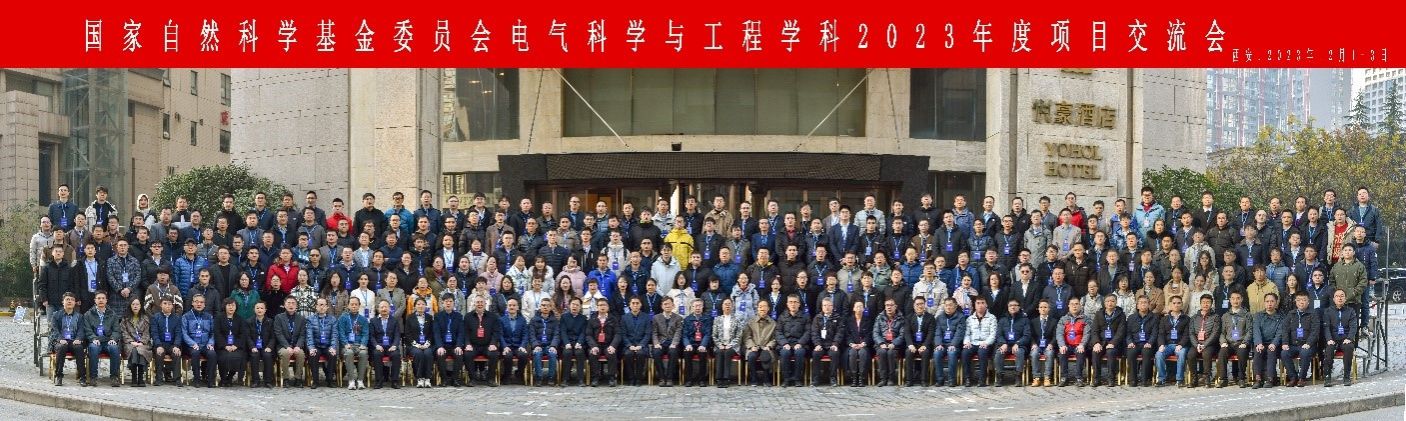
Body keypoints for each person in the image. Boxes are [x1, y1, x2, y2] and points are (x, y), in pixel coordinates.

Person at [1281, 291, 1320, 387]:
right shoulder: (1291, 314)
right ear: (1295, 301)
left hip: (1308, 345)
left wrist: (1309, 343)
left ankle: (1302, 378)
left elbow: (1315, 331)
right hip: (1293, 344)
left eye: (1304, 300)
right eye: (1298, 300)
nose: (1301, 302)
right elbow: (1285, 329)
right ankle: (1293, 377)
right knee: (1284, 353)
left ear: (1308, 301)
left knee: (1305, 352)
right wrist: (1285, 343)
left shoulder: (1313, 314)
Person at [1217, 291, 1252, 388]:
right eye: (1233, 298)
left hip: (1241, 343)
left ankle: (1241, 379)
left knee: (1242, 352)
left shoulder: (1247, 315)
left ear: (1241, 300)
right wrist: (1223, 342)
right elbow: (1222, 332)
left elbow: (1249, 331)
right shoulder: (1225, 316)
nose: (1235, 300)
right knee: (1222, 353)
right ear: (1230, 300)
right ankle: (1223, 379)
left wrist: (1245, 342)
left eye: (1238, 298)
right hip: (1229, 343)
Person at [1322, 289, 1357, 387]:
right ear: (1334, 299)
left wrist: (1349, 338)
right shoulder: (1328, 311)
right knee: (1329, 349)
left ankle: (1346, 376)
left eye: (1342, 296)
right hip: (1333, 339)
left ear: (1345, 298)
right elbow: (1326, 327)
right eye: (1337, 296)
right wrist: (1329, 339)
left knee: (1349, 347)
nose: (1340, 298)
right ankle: (1327, 377)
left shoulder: (1351, 311)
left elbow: (1353, 326)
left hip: (1346, 339)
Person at [182, 294, 217, 388]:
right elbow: (184, 333)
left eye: (201, 302)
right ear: (192, 303)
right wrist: (192, 343)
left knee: (212, 354)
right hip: (191, 345)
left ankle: (210, 380)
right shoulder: (186, 316)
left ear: (204, 304)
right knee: (195, 353)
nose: (199, 304)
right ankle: (197, 379)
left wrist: (210, 343)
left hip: (205, 344)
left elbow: (213, 333)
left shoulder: (209, 316)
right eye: (196, 302)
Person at [304, 297, 339, 389]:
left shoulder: (332, 319)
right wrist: (311, 348)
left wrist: (333, 347)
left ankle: (330, 380)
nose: (322, 307)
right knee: (313, 355)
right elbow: (309, 335)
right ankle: (315, 381)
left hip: (328, 345)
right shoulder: (310, 319)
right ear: (316, 307)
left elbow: (334, 335)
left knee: (332, 355)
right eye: (319, 305)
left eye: (324, 305)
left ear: (327, 307)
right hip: (316, 345)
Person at [1088, 295, 1123, 387]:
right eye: (1107, 301)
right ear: (1104, 303)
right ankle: (1096, 379)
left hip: (1115, 343)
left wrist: (1113, 343)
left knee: (1111, 352)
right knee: (1095, 352)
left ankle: (1111, 379)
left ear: (1116, 303)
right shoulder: (1099, 314)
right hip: (1101, 342)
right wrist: (1096, 343)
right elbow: (1094, 330)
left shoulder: (1121, 314)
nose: (1110, 303)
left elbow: (1121, 332)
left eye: (1112, 301)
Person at [961, 296, 996, 387]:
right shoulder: (969, 319)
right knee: (965, 352)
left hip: (985, 343)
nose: (980, 305)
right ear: (975, 305)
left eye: (982, 303)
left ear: (986, 305)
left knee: (982, 352)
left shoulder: (992, 318)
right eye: (978, 303)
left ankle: (982, 380)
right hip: (972, 343)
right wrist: (967, 342)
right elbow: (967, 333)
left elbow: (993, 334)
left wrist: (986, 342)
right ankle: (968, 378)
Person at [1123, 296, 1158, 387]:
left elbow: (1154, 333)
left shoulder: (1154, 317)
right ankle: (1133, 380)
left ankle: (1144, 379)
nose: (1143, 304)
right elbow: (1127, 333)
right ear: (1137, 305)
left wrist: (1150, 342)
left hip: (1147, 344)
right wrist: (1130, 342)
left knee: (1147, 352)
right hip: (1135, 343)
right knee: (1131, 352)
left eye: (1145, 302)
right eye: (1141, 302)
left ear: (1149, 305)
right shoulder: (1131, 318)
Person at [807, 297, 842, 387]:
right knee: (815, 354)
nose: (827, 307)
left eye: (829, 305)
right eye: (825, 305)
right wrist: (817, 344)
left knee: (835, 354)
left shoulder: (838, 318)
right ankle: (816, 379)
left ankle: (833, 378)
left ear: (832, 306)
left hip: (832, 345)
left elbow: (839, 332)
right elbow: (814, 333)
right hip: (821, 345)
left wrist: (835, 344)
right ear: (822, 307)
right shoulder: (817, 318)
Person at [744, 299, 779, 386]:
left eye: (764, 306)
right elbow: (747, 337)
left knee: (766, 355)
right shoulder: (751, 322)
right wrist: (752, 346)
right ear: (757, 308)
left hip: (766, 347)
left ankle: (766, 379)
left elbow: (774, 338)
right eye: (760, 307)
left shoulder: (773, 323)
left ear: (768, 308)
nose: (762, 309)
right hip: (754, 347)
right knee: (751, 356)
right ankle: (753, 378)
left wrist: (769, 346)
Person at [273, 296, 307, 388]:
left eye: (293, 303)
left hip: (296, 345)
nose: (291, 305)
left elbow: (302, 335)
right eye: (288, 303)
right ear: (284, 305)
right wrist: (287, 346)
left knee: (300, 354)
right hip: (283, 346)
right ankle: (286, 379)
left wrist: (298, 346)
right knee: (285, 353)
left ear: (296, 306)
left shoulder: (301, 318)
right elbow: (278, 334)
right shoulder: (279, 317)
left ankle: (298, 379)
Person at [1251, 292, 1284, 388]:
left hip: (1274, 344)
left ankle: (1270, 379)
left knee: (1271, 351)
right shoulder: (1258, 316)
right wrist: (1258, 343)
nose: (1269, 304)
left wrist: (1274, 343)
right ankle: (1258, 379)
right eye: (1267, 301)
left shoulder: (1281, 317)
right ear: (1264, 303)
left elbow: (1280, 333)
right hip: (1261, 343)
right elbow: (1256, 330)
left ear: (1276, 302)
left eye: (1272, 301)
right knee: (1258, 351)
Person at [1055, 297, 1090, 387]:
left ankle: (1079, 378)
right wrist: (1062, 345)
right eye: (1072, 304)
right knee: (1062, 353)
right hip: (1067, 345)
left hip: (1079, 345)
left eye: (1076, 304)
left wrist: (1082, 344)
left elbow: (1087, 333)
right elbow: (1059, 333)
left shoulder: (1085, 319)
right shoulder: (1063, 319)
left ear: (1080, 306)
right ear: (1068, 306)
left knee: (1080, 352)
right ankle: (1064, 378)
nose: (1074, 306)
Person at [212, 297, 246, 387]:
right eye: (229, 305)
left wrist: (236, 345)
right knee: (223, 357)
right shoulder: (219, 318)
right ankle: (223, 378)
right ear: (225, 306)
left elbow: (242, 334)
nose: (231, 307)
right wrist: (225, 345)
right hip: (223, 346)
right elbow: (217, 333)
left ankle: (230, 377)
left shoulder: (240, 319)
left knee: (237, 357)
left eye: (233, 305)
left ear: (236, 307)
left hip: (236, 346)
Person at [618, 297, 652, 386]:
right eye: (633, 303)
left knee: (641, 354)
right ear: (629, 305)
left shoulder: (646, 317)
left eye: (637, 303)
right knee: (628, 354)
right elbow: (623, 334)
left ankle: (639, 378)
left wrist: (641, 345)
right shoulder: (624, 318)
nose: (635, 305)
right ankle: (631, 378)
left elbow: (647, 334)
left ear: (641, 304)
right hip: (629, 345)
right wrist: (629, 345)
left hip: (642, 345)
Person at [368, 300, 402, 389]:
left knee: (396, 355)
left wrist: (394, 345)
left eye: (386, 307)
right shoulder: (373, 321)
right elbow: (371, 336)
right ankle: (379, 381)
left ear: (389, 308)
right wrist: (376, 345)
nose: (384, 309)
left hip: (391, 346)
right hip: (379, 346)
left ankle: (395, 381)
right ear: (378, 309)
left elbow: (397, 335)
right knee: (376, 354)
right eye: (382, 307)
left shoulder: (394, 320)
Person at [994, 299, 1029, 387]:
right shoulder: (1002, 320)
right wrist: (1003, 343)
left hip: (1019, 345)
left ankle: (1018, 377)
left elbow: (1027, 335)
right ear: (1008, 307)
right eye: (1010, 305)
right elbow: (998, 335)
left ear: (1019, 307)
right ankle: (999, 377)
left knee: (1020, 352)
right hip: (1005, 344)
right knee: (999, 353)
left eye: (1015, 305)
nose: (1013, 307)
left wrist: (1018, 343)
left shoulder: (1025, 320)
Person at [871, 298, 905, 386]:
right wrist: (881, 343)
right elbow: (875, 333)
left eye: (891, 305)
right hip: (881, 343)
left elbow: (902, 335)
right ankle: (883, 379)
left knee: (890, 353)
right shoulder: (879, 318)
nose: (889, 307)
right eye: (887, 305)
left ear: (895, 306)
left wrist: (894, 343)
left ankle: (891, 378)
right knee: (882, 352)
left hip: (895, 345)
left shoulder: (901, 318)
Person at [1187, 295, 1219, 388]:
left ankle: (1207, 378)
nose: (1205, 304)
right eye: (1204, 302)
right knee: (1190, 355)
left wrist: (1204, 344)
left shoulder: (1215, 317)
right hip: (1196, 343)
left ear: (1211, 304)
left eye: (1208, 302)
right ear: (1200, 304)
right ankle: (1194, 378)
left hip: (1210, 344)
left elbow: (1215, 333)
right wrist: (1197, 345)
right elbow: (1191, 333)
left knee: (1206, 354)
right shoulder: (1194, 317)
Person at [650, 296, 683, 387]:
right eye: (665, 304)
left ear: (673, 305)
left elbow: (678, 332)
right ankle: (661, 378)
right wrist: (656, 343)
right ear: (662, 306)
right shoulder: (656, 318)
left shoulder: (678, 318)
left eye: (669, 304)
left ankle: (669, 378)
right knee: (656, 352)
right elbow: (654, 332)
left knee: (673, 352)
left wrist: (674, 343)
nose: (667, 306)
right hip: (660, 342)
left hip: (672, 342)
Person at [586, 298, 620, 387]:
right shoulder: (592, 319)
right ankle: (595, 378)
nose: (602, 307)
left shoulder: (613, 319)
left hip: (608, 344)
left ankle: (612, 378)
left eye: (604, 305)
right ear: (597, 307)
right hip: (596, 344)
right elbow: (588, 335)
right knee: (593, 354)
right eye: (600, 305)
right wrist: (593, 346)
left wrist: (613, 346)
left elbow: (618, 334)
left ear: (608, 307)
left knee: (611, 354)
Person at [120, 298, 152, 387]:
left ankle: (140, 378)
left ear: (140, 306)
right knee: (134, 350)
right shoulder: (125, 319)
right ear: (130, 306)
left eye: (137, 304)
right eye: (133, 304)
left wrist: (141, 342)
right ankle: (134, 377)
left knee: (141, 350)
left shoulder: (145, 318)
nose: (135, 306)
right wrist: (131, 341)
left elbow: (147, 333)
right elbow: (123, 332)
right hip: (129, 343)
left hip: (143, 343)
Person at [498, 298, 530, 385]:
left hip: (518, 346)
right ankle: (507, 376)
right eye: (510, 305)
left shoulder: (522, 320)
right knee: (508, 356)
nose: (512, 307)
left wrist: (523, 346)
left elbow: (525, 335)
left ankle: (519, 374)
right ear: (507, 307)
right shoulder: (501, 320)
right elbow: (500, 335)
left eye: (514, 305)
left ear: (517, 307)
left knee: (523, 355)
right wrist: (504, 346)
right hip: (507, 346)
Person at [558, 297, 588, 387]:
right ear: (569, 305)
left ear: (580, 307)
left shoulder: (583, 318)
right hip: (567, 342)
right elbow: (563, 331)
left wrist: (580, 342)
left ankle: (581, 379)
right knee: (567, 353)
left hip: (578, 343)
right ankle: (565, 379)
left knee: (580, 353)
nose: (575, 306)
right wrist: (566, 343)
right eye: (573, 304)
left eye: (577, 305)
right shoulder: (564, 317)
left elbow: (583, 332)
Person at [405, 297, 436, 388]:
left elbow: (431, 333)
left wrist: (427, 343)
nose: (421, 306)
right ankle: (419, 378)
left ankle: (427, 378)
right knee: (418, 353)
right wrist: (416, 344)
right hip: (413, 345)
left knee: (428, 353)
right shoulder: (410, 318)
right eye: (418, 304)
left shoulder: (429, 317)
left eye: (423, 304)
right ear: (415, 306)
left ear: (426, 306)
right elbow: (407, 333)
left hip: (427, 344)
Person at [530, 299, 560, 387]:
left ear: (551, 307)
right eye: (543, 305)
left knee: (553, 354)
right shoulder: (534, 320)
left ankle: (551, 378)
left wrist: (553, 346)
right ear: (540, 307)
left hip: (550, 345)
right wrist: (535, 345)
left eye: (547, 305)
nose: (545, 307)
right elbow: (531, 335)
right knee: (537, 354)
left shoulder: (555, 321)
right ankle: (539, 378)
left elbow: (556, 335)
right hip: (538, 345)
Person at [247, 302, 276, 388]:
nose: (259, 310)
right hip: (254, 347)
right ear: (254, 309)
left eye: (261, 308)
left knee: (267, 356)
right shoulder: (249, 321)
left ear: (265, 310)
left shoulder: (270, 321)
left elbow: (273, 337)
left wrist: (269, 347)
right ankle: (255, 380)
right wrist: (252, 347)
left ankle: (268, 381)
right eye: (257, 308)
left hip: (266, 347)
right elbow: (247, 337)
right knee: (254, 356)